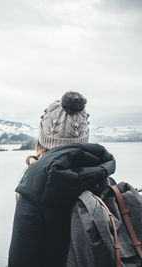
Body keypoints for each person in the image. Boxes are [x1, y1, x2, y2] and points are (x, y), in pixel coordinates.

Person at [8, 92, 116, 267]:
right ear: (83, 140)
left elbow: (20, 261)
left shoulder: (34, 188)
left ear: (42, 140)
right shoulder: (102, 179)